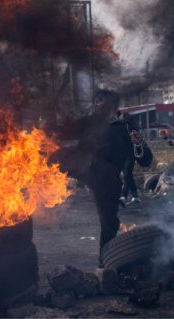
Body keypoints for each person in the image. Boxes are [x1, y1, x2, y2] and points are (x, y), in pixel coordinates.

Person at [52, 89, 153, 257]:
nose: (95, 103)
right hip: (80, 161)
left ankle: (106, 261)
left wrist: (139, 143)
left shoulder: (126, 125)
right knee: (47, 156)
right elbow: (60, 133)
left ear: (111, 104)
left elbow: (145, 160)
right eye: (95, 100)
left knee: (109, 222)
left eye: (100, 100)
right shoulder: (88, 122)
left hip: (106, 174)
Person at [119, 112, 142, 207]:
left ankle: (123, 196)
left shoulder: (129, 128)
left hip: (130, 155)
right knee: (128, 175)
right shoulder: (130, 127)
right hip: (125, 155)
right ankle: (136, 197)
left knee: (127, 174)